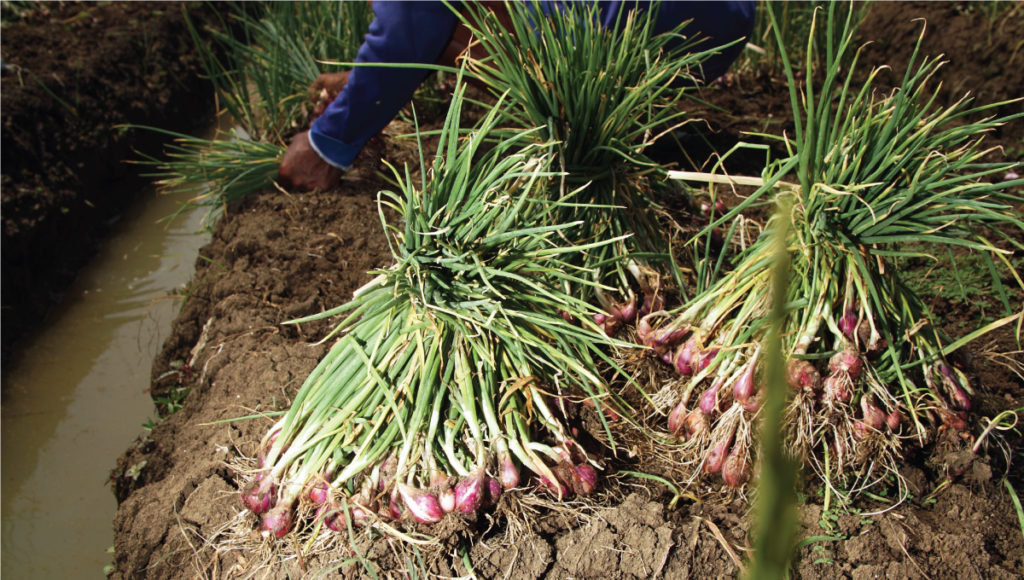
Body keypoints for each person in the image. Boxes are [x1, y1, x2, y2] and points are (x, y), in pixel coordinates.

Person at [278, 1, 756, 192]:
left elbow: (409, 25)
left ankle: (585, 151)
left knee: (467, 32)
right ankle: (601, 127)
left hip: (674, 17)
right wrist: (364, 83)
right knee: (468, 26)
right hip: (720, 17)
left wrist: (326, 144)